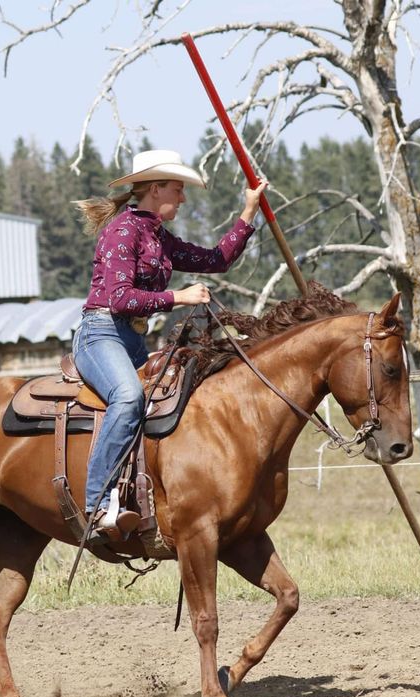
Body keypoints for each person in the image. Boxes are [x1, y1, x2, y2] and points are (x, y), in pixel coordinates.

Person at [71, 149, 267, 541]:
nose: (183, 198)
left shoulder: (158, 237)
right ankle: (95, 504)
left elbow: (216, 259)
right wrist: (180, 297)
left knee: (178, 398)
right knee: (128, 397)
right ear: (156, 188)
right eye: (177, 189)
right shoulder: (123, 230)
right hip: (101, 333)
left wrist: (248, 211)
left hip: (132, 338)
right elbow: (120, 299)